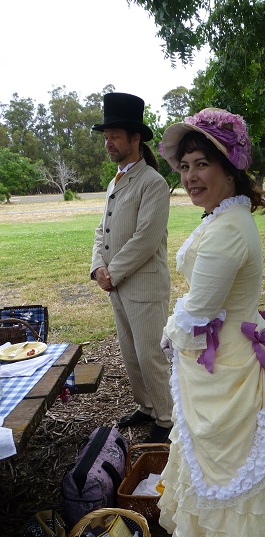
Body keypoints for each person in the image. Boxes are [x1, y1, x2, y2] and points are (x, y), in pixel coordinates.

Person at [157, 108, 265, 537]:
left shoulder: (226, 230)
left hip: (231, 365)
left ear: (229, 167)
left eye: (201, 164)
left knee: (234, 464)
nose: (190, 177)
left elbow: (198, 311)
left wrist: (170, 334)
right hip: (229, 351)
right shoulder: (225, 216)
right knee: (225, 462)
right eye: (184, 167)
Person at [90, 92, 172, 443]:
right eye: (106, 137)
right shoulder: (115, 181)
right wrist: (97, 267)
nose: (108, 143)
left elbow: (145, 239)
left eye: (115, 137)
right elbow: (102, 229)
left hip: (144, 284)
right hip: (118, 284)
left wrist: (113, 272)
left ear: (135, 139)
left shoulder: (153, 183)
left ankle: (167, 419)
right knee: (129, 351)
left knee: (149, 353)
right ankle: (146, 407)